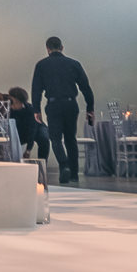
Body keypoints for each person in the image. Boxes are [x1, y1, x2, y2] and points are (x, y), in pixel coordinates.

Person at [30, 36, 95, 185]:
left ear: (47, 49)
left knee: (55, 138)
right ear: (62, 47)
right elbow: (85, 87)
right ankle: (74, 174)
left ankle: (64, 165)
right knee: (70, 139)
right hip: (71, 104)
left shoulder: (41, 65)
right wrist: (90, 107)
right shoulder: (74, 64)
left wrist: (36, 109)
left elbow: (36, 90)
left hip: (53, 105)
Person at [6, 87, 47, 162]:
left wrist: (28, 150)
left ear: (20, 101)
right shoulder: (8, 109)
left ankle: (42, 166)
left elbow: (32, 130)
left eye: (13, 102)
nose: (11, 103)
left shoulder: (30, 110)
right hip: (21, 129)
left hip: (37, 127)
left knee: (44, 138)